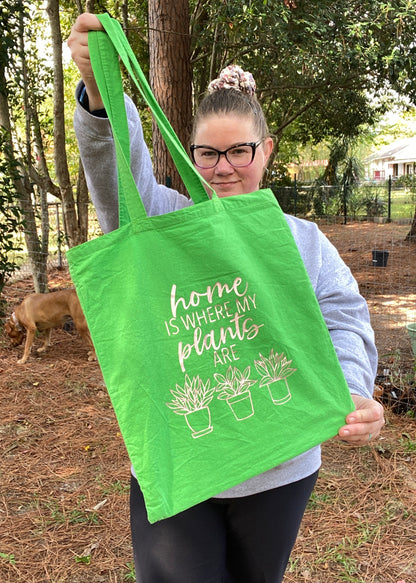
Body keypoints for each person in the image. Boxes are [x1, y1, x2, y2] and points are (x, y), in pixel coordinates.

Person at [68, 14, 385, 583]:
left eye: (238, 151)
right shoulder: (165, 220)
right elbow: (120, 176)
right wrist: (98, 92)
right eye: (206, 154)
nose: (222, 168)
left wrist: (353, 386)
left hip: (281, 468)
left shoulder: (302, 241)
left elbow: (344, 317)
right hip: (178, 459)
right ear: (190, 153)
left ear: (267, 150)